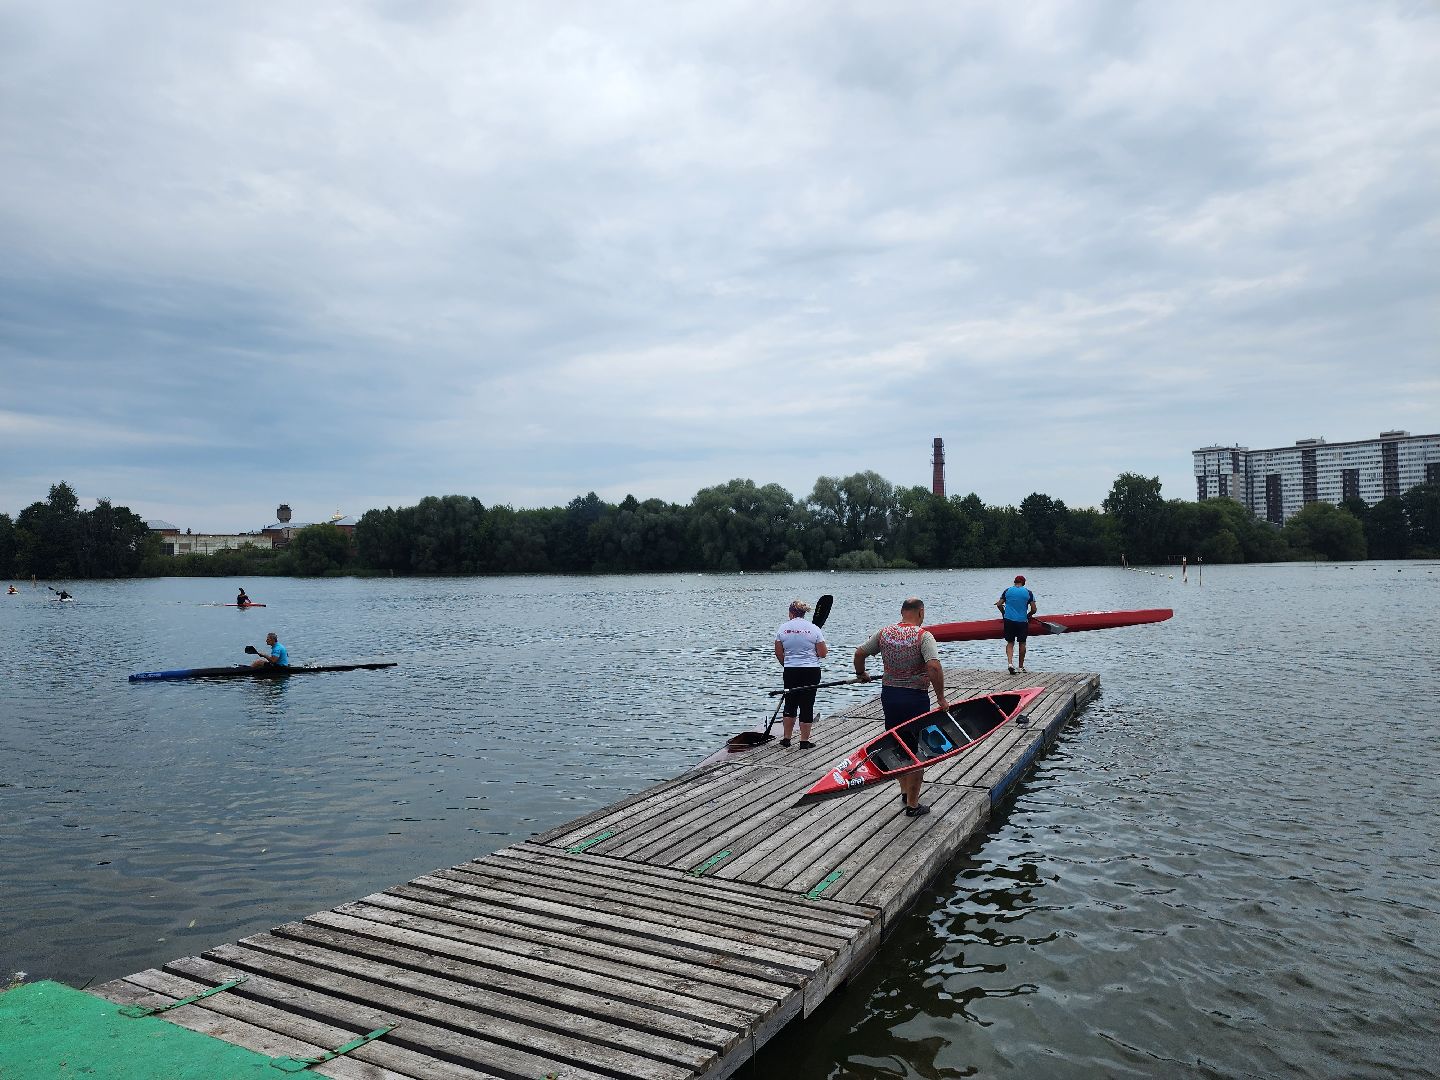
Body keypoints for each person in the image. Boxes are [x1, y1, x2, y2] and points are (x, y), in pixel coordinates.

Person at [853, 597, 946, 818]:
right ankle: (913, 806)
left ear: (902, 612)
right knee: (917, 750)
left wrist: (860, 674)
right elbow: (933, 666)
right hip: (915, 698)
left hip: (890, 696)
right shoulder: (924, 636)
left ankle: (905, 790)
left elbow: (859, 653)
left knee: (897, 744)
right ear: (921, 612)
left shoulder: (884, 633)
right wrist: (941, 697)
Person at [774, 599, 828, 749]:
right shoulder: (814, 629)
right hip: (811, 671)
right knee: (807, 704)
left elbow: (778, 652)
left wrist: (788, 664)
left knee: (790, 703)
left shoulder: (782, 628)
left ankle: (786, 739)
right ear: (804, 613)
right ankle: (804, 741)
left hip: (791, 670)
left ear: (791, 612)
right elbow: (823, 653)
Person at [996, 574, 1037, 675]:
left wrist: (1004, 613)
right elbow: (1034, 609)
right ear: (1023, 583)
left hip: (1009, 620)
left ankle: (1010, 664)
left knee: (1010, 643)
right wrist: (1028, 615)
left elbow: (999, 604)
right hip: (1022, 621)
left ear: (1014, 582)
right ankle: (1021, 667)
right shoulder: (1028, 593)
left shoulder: (1007, 591)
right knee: (1022, 643)